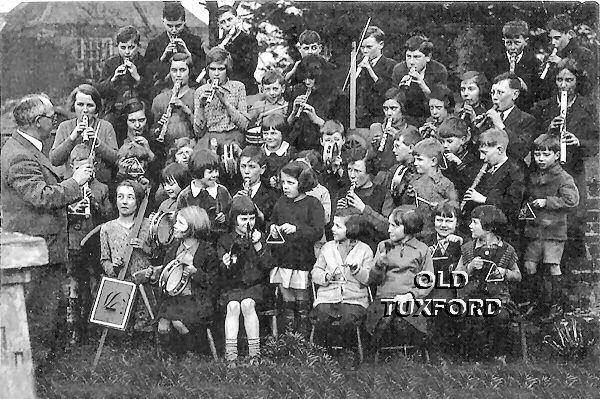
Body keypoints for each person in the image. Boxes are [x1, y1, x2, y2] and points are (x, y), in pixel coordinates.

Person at [1, 94, 93, 366]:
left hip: (42, 244)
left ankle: (44, 365)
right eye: (52, 117)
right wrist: (75, 183)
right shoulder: (19, 156)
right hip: (35, 247)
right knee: (39, 311)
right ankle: (34, 373)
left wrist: (72, 139)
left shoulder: (25, 146)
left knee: (47, 308)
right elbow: (41, 196)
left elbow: (49, 163)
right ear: (39, 122)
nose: (56, 120)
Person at [531, 58, 598, 266]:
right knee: (547, 211)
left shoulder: (587, 107)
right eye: (559, 80)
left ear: (577, 81)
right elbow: (534, 138)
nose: (563, 85)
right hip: (548, 169)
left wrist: (578, 141)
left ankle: (575, 255)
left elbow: (596, 142)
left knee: (576, 211)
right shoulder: (545, 106)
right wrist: (549, 129)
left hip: (573, 167)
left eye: (569, 80)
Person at [145, 206, 217, 354]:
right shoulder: (173, 249)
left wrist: (195, 273)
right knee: (163, 326)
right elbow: (167, 275)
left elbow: (214, 282)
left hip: (197, 300)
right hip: (173, 300)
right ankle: (170, 359)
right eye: (176, 222)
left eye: (180, 223)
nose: (175, 226)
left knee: (177, 322)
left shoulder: (208, 252)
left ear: (193, 228)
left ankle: (193, 351)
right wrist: (154, 276)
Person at [522, 134, 579, 320]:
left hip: (553, 230)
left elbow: (572, 200)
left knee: (552, 266)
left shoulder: (563, 177)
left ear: (556, 155)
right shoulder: (533, 176)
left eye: (545, 154)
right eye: (537, 154)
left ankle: (556, 306)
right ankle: (536, 303)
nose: (540, 158)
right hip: (535, 229)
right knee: (530, 265)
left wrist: (547, 202)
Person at [455, 205, 522, 360]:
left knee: (501, 317)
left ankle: (498, 356)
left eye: (474, 223)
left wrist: (505, 273)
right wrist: (470, 267)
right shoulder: (468, 249)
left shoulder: (506, 250)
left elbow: (518, 276)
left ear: (488, 227)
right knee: (475, 317)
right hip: (472, 297)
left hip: (498, 298)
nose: (470, 226)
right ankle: (476, 357)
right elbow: (457, 276)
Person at [269, 161, 325, 336]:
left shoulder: (313, 203)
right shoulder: (281, 202)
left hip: (301, 260)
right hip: (283, 259)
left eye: (290, 183)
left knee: (301, 300)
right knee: (287, 300)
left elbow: (317, 231)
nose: (285, 187)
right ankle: (288, 337)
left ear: (302, 183)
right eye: (283, 182)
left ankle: (302, 338)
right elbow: (273, 220)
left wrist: (296, 229)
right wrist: (272, 228)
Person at [366, 207, 433, 352]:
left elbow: (427, 279)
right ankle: (378, 354)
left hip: (410, 300)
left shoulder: (422, 249)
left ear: (409, 228)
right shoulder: (383, 246)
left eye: (394, 226)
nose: (389, 230)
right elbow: (373, 280)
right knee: (387, 314)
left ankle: (381, 351)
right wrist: (379, 264)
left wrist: (411, 295)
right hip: (384, 298)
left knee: (400, 318)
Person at [65, 144, 114, 345]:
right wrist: (70, 209)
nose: (87, 171)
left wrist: (95, 203)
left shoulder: (101, 188)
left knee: (93, 284)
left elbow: (110, 216)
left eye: (89, 166)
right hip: (73, 244)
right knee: (74, 285)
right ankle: (74, 329)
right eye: (81, 167)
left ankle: (93, 329)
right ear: (71, 166)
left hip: (93, 244)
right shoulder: (66, 185)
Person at [218, 196, 272, 365]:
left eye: (251, 218)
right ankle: (231, 355)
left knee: (248, 304)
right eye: (243, 219)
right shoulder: (225, 241)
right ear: (234, 219)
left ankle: (254, 353)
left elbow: (268, 265)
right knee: (233, 306)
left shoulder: (259, 238)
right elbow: (221, 274)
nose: (248, 223)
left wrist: (258, 245)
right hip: (233, 288)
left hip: (256, 287)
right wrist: (224, 264)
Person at [311, 208, 373, 347]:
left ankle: (348, 353)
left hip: (354, 300)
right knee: (321, 317)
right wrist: (326, 276)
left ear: (352, 228)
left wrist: (357, 270)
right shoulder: (327, 248)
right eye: (333, 224)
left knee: (348, 320)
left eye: (338, 226)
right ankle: (321, 354)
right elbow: (315, 273)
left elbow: (369, 278)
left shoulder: (365, 250)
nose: (332, 229)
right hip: (328, 297)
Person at [99, 180, 154, 331]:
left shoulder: (148, 226)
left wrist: (144, 247)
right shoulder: (107, 228)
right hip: (120, 284)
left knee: (144, 325)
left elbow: (158, 255)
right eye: (120, 196)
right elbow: (104, 260)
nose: (124, 202)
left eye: (130, 197)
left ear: (138, 200)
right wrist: (113, 267)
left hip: (144, 284)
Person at [460, 129, 525, 245]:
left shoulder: (515, 172)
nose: (481, 157)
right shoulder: (485, 169)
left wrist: (483, 199)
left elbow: (513, 206)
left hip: (502, 234)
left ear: (499, 150)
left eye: (485, 152)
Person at [50, 84, 118, 186]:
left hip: (101, 186)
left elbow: (115, 159)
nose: (85, 110)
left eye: (90, 105)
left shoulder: (105, 126)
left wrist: (97, 143)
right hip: (72, 186)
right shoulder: (65, 127)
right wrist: (72, 138)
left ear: (96, 107)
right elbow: (54, 160)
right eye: (80, 105)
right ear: (74, 105)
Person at [97, 25, 147, 145]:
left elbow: (151, 90)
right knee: (107, 124)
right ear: (117, 47)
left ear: (138, 46)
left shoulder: (144, 63)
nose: (127, 52)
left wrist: (137, 77)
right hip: (116, 109)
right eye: (123, 47)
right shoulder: (110, 63)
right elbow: (99, 91)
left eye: (131, 47)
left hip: (138, 108)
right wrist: (113, 79)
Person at [144, 1, 205, 97]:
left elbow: (203, 68)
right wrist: (163, 57)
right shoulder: (154, 43)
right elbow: (147, 72)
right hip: (161, 91)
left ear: (184, 22)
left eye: (178, 26)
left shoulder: (195, 41)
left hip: (190, 90)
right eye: (169, 26)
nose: (173, 30)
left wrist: (188, 54)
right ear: (162, 20)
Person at [401, 138, 459, 238]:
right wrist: (408, 196)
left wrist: (440, 206)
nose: (415, 163)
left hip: (434, 233)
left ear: (433, 161)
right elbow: (405, 206)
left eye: (419, 160)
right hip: (415, 233)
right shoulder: (413, 180)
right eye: (414, 159)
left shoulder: (445, 183)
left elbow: (455, 206)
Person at [287, 54, 346, 151]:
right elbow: (287, 127)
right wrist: (293, 113)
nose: (307, 82)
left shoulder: (337, 95)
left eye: (311, 78)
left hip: (323, 146)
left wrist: (316, 119)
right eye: (304, 78)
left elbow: (340, 130)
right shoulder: (299, 90)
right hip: (297, 145)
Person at [478, 72, 538, 166]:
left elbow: (521, 151)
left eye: (500, 93)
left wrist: (500, 125)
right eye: (493, 93)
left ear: (515, 95)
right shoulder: (488, 118)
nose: (494, 97)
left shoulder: (527, 120)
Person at [194, 47, 249, 148]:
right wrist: (201, 107)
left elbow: (244, 125)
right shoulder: (200, 91)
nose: (216, 74)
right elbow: (198, 132)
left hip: (233, 136)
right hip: (210, 136)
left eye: (221, 69)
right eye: (212, 69)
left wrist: (225, 103)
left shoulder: (238, 87)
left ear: (227, 70)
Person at [484, 20, 541, 112]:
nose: (513, 47)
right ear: (504, 41)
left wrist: (524, 86)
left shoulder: (533, 63)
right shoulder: (495, 62)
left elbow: (537, 92)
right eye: (509, 43)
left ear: (525, 41)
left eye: (517, 43)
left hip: (524, 110)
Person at [391, 35, 448, 126]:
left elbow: (441, 102)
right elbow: (393, 101)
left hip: (430, 116)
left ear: (428, 57)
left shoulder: (438, 70)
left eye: (417, 57)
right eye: (408, 56)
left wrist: (423, 86)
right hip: (407, 117)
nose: (411, 62)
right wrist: (400, 90)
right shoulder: (399, 70)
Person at [176, 148, 232, 238]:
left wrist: (225, 217)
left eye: (216, 171)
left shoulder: (222, 192)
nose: (215, 175)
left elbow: (231, 214)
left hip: (219, 241)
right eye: (210, 172)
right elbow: (179, 219)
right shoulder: (185, 196)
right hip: (194, 241)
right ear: (198, 172)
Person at [541, 14, 595, 96]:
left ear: (570, 34)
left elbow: (588, 86)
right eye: (551, 38)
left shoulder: (585, 54)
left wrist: (563, 63)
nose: (553, 43)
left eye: (557, 38)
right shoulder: (551, 56)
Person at [355, 26, 397, 128]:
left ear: (381, 45)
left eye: (369, 47)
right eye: (362, 47)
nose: (364, 51)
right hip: (358, 118)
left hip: (379, 118)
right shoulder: (356, 64)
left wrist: (370, 70)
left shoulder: (390, 65)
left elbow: (388, 92)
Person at [151, 53, 196, 148]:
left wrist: (186, 110)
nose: (178, 75)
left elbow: (201, 129)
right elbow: (152, 132)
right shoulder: (159, 99)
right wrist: (158, 129)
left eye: (182, 70)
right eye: (174, 70)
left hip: (190, 147)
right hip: (166, 148)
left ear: (189, 72)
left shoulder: (197, 96)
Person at [216, 5, 259, 94]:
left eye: (230, 19)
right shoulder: (220, 42)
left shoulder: (249, 39)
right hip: (225, 90)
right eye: (222, 22)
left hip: (246, 89)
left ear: (237, 19)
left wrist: (228, 50)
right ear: (219, 25)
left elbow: (250, 68)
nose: (227, 24)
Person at [369, 89, 416, 171]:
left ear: (402, 109)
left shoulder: (411, 130)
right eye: (385, 109)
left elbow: (412, 159)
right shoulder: (376, 128)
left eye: (393, 108)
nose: (389, 113)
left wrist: (398, 136)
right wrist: (374, 148)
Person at [380, 126, 421, 218]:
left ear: (411, 148)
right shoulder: (395, 169)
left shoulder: (421, 172)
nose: (394, 150)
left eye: (397, 146)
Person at [235, 145, 279, 229]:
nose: (246, 171)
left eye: (252, 167)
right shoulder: (233, 193)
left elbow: (272, 226)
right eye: (243, 166)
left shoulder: (272, 196)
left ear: (262, 169)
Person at [438, 116, 482, 199]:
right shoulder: (442, 158)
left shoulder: (471, 158)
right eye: (442, 142)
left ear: (462, 140)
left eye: (449, 141)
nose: (445, 145)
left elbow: (471, 182)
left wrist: (459, 163)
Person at [246, 70, 288, 146]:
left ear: (283, 88)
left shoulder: (287, 106)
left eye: (275, 89)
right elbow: (247, 123)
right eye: (267, 89)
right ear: (262, 89)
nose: (271, 93)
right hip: (262, 143)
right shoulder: (258, 106)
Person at [454, 71, 490, 145]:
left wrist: (474, 121)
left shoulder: (487, 111)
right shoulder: (458, 110)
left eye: (471, 89)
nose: (465, 94)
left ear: (480, 90)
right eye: (463, 89)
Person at [261, 114, 295, 189]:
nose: (269, 137)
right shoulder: (260, 152)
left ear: (282, 134)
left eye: (273, 133)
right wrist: (267, 181)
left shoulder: (289, 152)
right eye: (266, 133)